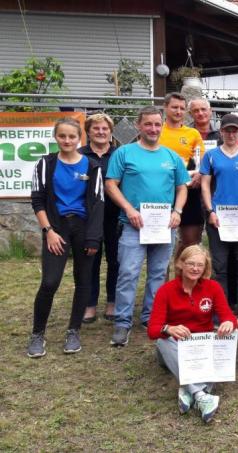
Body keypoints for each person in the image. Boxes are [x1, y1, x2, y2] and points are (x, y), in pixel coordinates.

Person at [105, 106, 190, 346]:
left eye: (157, 124)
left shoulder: (171, 156)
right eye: (148, 124)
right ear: (138, 126)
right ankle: (122, 323)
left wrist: (177, 211)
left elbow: (182, 186)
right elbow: (111, 184)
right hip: (134, 224)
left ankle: (151, 317)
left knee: (158, 274)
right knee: (128, 273)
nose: (153, 129)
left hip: (164, 225)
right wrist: (129, 209)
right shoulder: (124, 153)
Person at [27, 117, 104, 358]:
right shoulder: (45, 164)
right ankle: (37, 334)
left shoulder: (92, 166)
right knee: (50, 282)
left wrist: (93, 238)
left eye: (72, 136)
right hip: (56, 227)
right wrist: (48, 231)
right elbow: (37, 200)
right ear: (56, 137)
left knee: (83, 281)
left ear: (79, 138)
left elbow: (98, 203)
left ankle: (73, 331)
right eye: (62, 136)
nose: (67, 140)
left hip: (83, 228)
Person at [148, 245, 236, 423]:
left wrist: (228, 323)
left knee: (234, 334)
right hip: (176, 347)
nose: (195, 269)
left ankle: (188, 389)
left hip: (202, 346)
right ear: (181, 264)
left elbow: (229, 317)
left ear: (205, 268)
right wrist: (168, 329)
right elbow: (152, 329)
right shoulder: (166, 290)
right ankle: (201, 395)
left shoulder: (213, 287)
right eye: (191, 264)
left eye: (200, 265)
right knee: (162, 341)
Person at [200, 114, 238, 315]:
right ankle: (221, 309)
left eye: (235, 130)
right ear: (221, 132)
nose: (231, 134)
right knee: (220, 264)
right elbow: (205, 185)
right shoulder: (211, 156)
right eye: (227, 130)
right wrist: (210, 211)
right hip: (218, 216)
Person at [79, 113, 119, 323]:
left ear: (111, 132)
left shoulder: (119, 154)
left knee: (115, 260)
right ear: (88, 131)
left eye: (105, 129)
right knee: (90, 261)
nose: (101, 132)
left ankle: (112, 301)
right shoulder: (79, 154)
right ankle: (89, 304)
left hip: (115, 216)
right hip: (88, 217)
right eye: (96, 129)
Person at [158, 93, 206, 261]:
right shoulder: (157, 131)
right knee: (160, 245)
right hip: (161, 190)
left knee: (190, 242)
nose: (178, 111)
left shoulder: (192, 133)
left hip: (187, 190)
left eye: (181, 108)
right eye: (174, 107)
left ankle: (182, 280)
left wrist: (199, 173)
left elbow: (201, 161)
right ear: (165, 108)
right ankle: (162, 286)